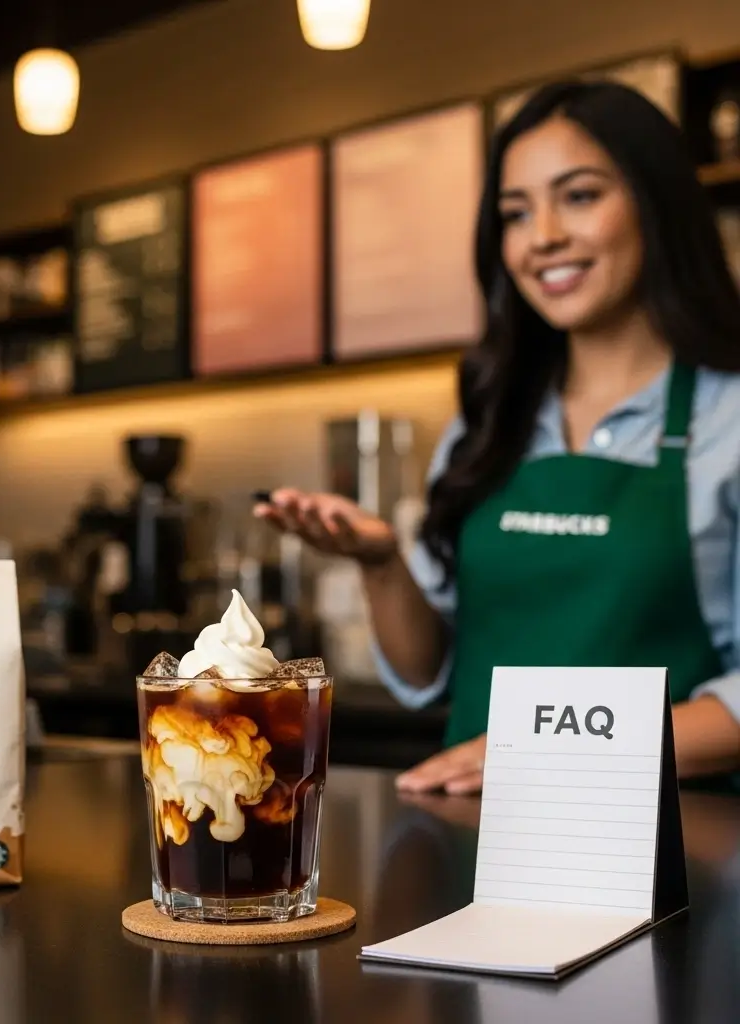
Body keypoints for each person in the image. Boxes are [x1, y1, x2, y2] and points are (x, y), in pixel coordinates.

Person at [255, 79, 740, 795]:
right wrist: (382, 563)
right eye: (516, 213)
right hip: (481, 851)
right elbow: (428, 674)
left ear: (655, 203)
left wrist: (551, 751)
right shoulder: (488, 424)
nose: (542, 236)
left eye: (579, 196)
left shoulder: (727, 420)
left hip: (673, 863)